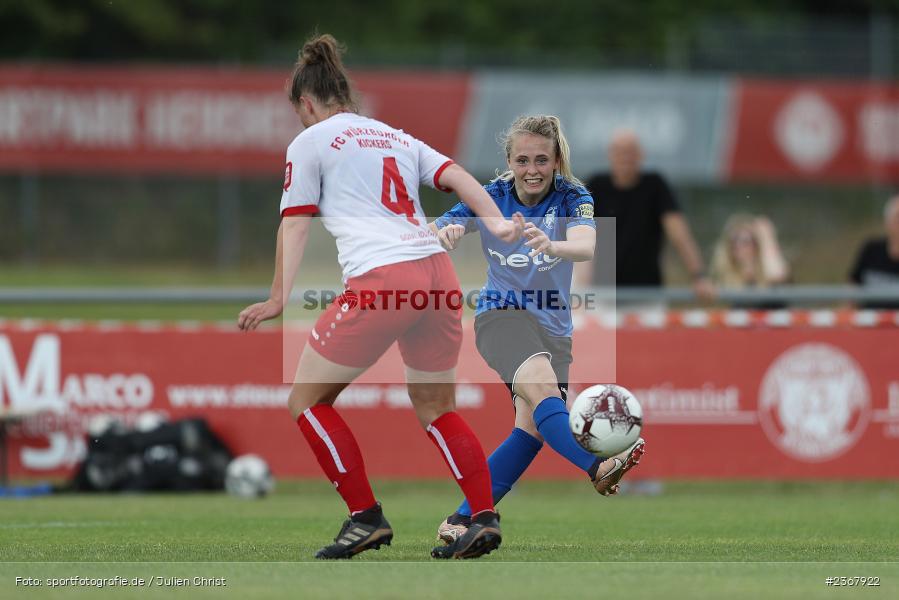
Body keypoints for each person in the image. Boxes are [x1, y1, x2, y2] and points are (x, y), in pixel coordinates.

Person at [237, 34, 524, 560]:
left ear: (306, 103)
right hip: (439, 275)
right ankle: (482, 517)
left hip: (384, 279)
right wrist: (499, 224)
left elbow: (295, 224)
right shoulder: (394, 136)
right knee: (438, 407)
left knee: (307, 400)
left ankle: (364, 517)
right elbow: (458, 175)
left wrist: (279, 297)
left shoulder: (312, 140)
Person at [430, 115, 645, 546]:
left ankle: (461, 518)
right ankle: (596, 466)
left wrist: (553, 245)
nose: (532, 169)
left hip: (554, 329)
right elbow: (431, 230)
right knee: (544, 391)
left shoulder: (573, 195)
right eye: (523, 159)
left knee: (531, 432)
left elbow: (586, 246)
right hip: (501, 317)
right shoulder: (490, 196)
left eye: (542, 160)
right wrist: (446, 231)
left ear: (557, 160)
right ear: (509, 161)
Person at [579, 129, 714, 301]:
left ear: (641, 155)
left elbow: (679, 234)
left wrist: (699, 275)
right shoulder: (596, 186)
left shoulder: (655, 186)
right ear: (610, 155)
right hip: (603, 294)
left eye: (631, 152)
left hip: (647, 292)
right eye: (620, 152)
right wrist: (580, 287)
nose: (625, 158)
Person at [709, 214, 790, 307]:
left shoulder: (768, 269)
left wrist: (766, 236)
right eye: (734, 240)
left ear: (757, 244)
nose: (738, 246)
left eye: (745, 240)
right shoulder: (727, 274)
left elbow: (778, 274)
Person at [849, 195, 899, 309]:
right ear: (888, 222)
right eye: (898, 218)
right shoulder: (871, 250)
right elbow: (853, 286)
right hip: (870, 322)